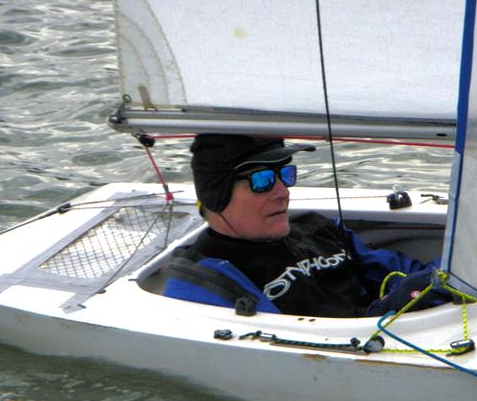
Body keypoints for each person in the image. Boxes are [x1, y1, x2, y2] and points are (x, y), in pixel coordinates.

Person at [163, 134, 452, 318]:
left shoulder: (318, 229)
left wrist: (450, 277)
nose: (282, 192)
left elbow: (406, 272)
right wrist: (390, 308)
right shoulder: (202, 281)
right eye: (262, 181)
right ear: (216, 194)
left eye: (285, 175)